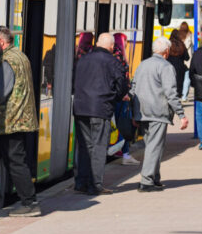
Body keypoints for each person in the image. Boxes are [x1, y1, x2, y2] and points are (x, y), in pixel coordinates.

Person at [0, 26, 41, 217]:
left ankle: (30, 203)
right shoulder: (21, 56)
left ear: (1, 42)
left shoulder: (7, 60)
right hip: (11, 121)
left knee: (15, 161)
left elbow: (0, 92)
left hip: (10, 121)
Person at [72, 33, 129, 195]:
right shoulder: (113, 62)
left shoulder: (83, 59)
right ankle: (95, 184)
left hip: (80, 107)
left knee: (84, 145)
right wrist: (115, 98)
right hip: (100, 108)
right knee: (98, 147)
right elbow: (122, 86)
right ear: (111, 47)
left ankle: (81, 182)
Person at [130, 37, 189, 192]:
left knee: (153, 146)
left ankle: (154, 177)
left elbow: (133, 87)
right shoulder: (166, 67)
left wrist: (133, 112)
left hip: (142, 112)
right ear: (167, 51)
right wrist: (181, 114)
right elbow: (171, 93)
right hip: (157, 112)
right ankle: (147, 181)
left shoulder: (142, 64)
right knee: (155, 147)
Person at [112, 32, 140, 166]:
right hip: (121, 97)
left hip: (115, 96)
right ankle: (125, 153)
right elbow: (121, 78)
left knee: (118, 125)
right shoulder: (119, 56)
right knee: (123, 125)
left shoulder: (112, 55)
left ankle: (122, 151)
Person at [167, 29, 189, 98]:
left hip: (169, 67)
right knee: (178, 88)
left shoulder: (168, 44)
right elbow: (187, 57)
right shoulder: (182, 44)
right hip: (180, 68)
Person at [179, 21, 193, 100]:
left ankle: (180, 94)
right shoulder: (190, 35)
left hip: (180, 59)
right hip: (188, 59)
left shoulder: (178, 35)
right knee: (187, 78)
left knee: (180, 77)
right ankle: (184, 96)